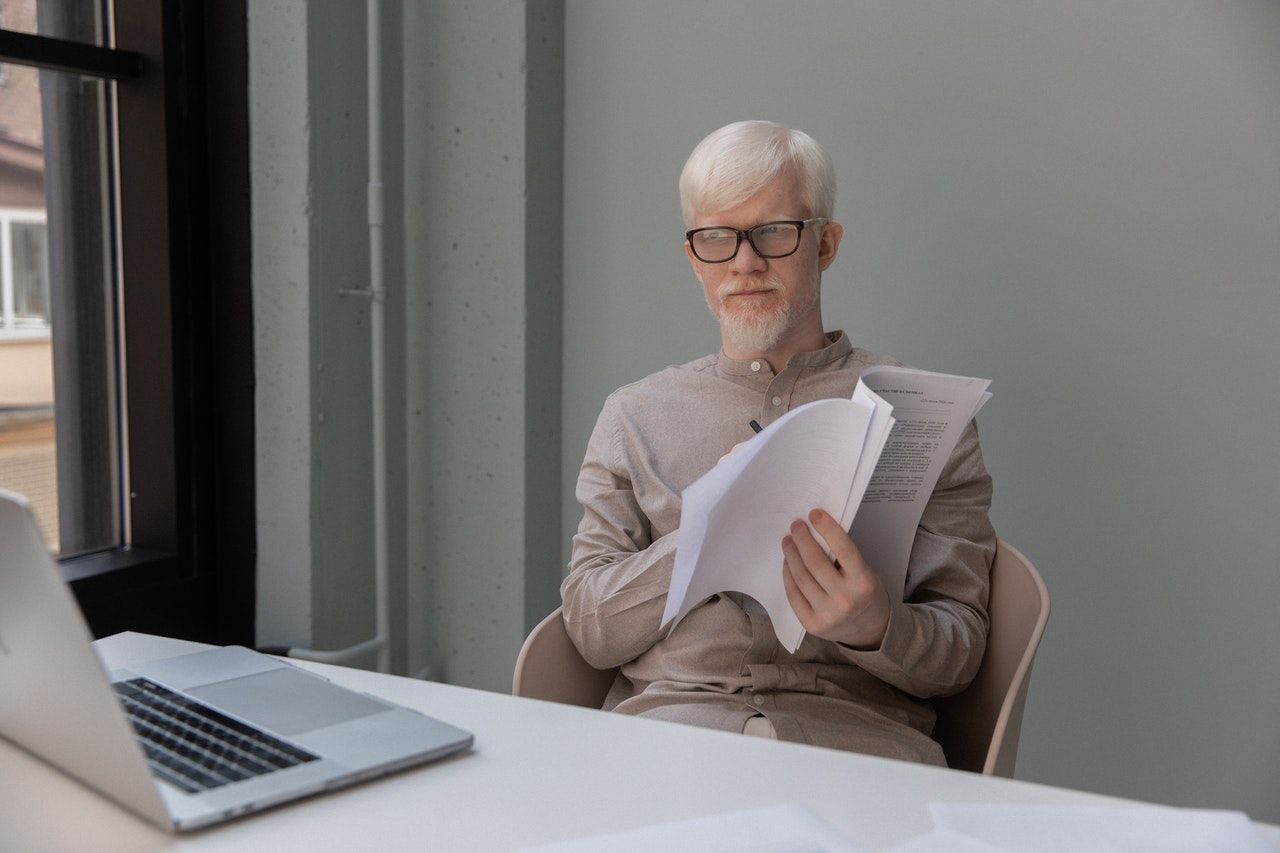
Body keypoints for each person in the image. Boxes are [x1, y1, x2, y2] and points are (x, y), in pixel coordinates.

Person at [561, 120, 995, 766]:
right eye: (717, 237)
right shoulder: (634, 416)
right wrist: (705, 532)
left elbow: (961, 648)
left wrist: (877, 625)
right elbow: (589, 626)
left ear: (826, 244)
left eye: (773, 231)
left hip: (855, 748)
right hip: (670, 743)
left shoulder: (922, 415)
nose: (744, 262)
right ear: (693, 258)